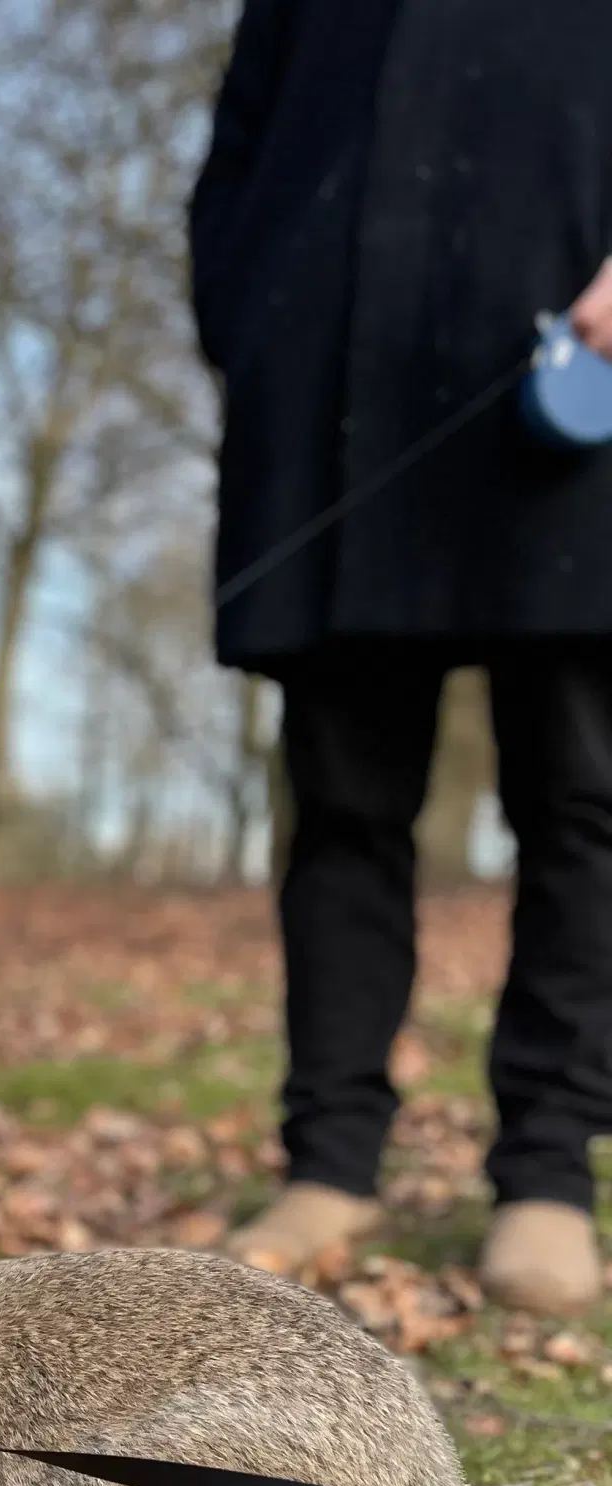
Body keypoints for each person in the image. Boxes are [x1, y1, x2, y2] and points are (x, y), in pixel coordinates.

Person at [191, 1, 612, 1316]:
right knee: (342, 808)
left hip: (576, 387)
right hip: (336, 402)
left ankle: (547, 1173)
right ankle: (331, 1163)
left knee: (583, 802)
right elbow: (240, 154)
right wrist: (255, 315)